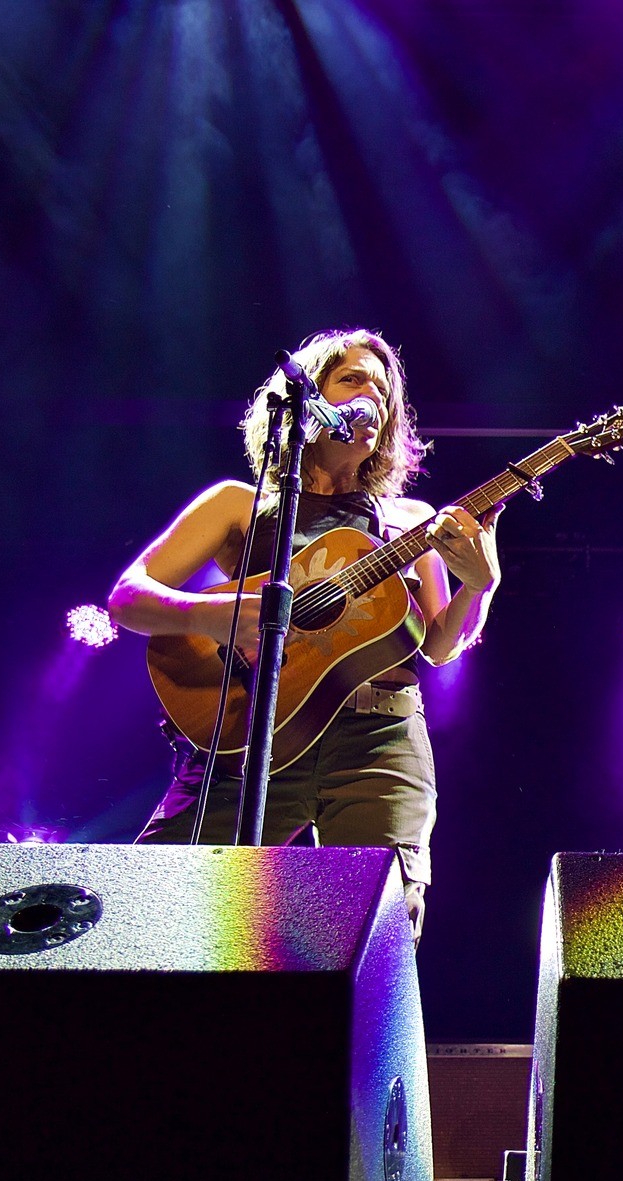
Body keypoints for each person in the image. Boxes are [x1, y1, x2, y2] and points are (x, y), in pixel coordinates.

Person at [108, 329, 502, 941]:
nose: (371, 397)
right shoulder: (237, 504)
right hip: (252, 730)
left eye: (382, 390)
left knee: (378, 935)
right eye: (352, 380)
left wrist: (480, 586)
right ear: (307, 396)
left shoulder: (411, 522)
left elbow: (440, 644)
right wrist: (209, 617)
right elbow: (128, 599)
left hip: (380, 741)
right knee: (159, 908)